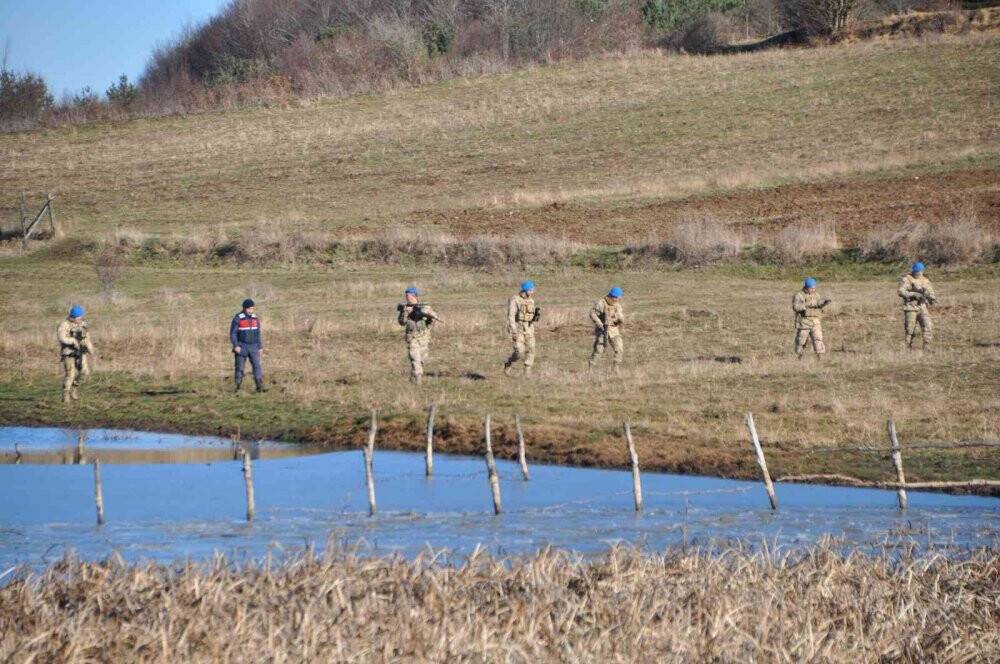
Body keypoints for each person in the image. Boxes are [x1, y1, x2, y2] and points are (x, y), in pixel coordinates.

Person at [397, 287, 442, 384]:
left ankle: (413, 375)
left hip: (424, 337)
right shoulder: (406, 308)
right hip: (412, 337)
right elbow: (402, 323)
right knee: (415, 358)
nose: (407, 297)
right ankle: (418, 379)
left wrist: (427, 316)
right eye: (406, 295)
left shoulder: (425, 307)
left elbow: (434, 317)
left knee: (422, 359)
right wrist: (403, 312)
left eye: (409, 295)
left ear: (414, 296)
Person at [57, 305, 93, 403]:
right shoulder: (64, 325)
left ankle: (74, 388)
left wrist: (91, 349)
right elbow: (61, 338)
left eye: (81, 317)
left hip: (81, 351)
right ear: (72, 317)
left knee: (85, 372)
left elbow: (87, 338)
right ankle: (66, 394)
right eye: (78, 317)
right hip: (69, 353)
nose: (80, 319)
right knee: (71, 374)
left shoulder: (83, 324)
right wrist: (72, 340)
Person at [898, 261, 937, 351]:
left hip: (922, 307)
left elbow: (931, 293)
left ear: (923, 271)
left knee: (928, 326)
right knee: (910, 329)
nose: (918, 273)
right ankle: (907, 347)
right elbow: (900, 291)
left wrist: (931, 298)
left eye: (920, 271)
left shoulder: (925, 280)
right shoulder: (907, 279)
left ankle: (927, 347)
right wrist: (913, 294)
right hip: (911, 307)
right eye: (916, 271)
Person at [504, 280, 539, 376]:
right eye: (531, 290)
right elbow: (511, 316)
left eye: (533, 290)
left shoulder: (531, 300)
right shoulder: (515, 300)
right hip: (518, 328)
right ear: (525, 290)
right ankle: (509, 363)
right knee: (519, 351)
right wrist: (513, 331)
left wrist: (535, 317)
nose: (532, 292)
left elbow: (530, 314)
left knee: (531, 349)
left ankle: (527, 371)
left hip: (529, 328)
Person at [230, 298, 265, 393]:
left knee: (257, 366)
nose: (251, 310)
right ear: (244, 308)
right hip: (241, 346)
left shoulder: (255, 318)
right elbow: (233, 333)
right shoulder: (238, 318)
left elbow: (258, 333)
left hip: (254, 347)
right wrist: (236, 346)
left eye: (252, 308)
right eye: (249, 308)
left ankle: (259, 387)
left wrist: (260, 347)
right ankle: (237, 387)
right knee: (239, 368)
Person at [793, 277, 831, 359]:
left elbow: (818, 304)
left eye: (814, 288)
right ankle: (798, 357)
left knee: (818, 339)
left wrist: (823, 303)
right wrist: (807, 306)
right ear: (806, 288)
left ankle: (820, 357)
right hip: (804, 323)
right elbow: (796, 307)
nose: (813, 290)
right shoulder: (799, 296)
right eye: (811, 288)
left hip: (815, 322)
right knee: (801, 341)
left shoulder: (816, 295)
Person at [589, 286, 625, 371]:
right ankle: (590, 369)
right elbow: (592, 313)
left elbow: (620, 317)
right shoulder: (601, 303)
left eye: (618, 297)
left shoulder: (617, 305)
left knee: (619, 349)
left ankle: (615, 369)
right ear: (611, 296)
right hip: (602, 331)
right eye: (615, 297)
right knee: (599, 350)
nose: (616, 299)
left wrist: (619, 319)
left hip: (614, 331)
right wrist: (599, 322)